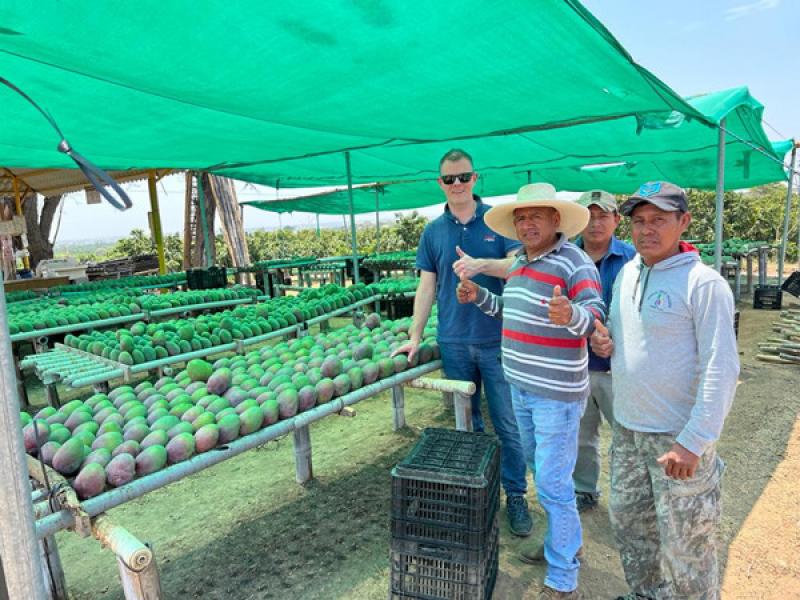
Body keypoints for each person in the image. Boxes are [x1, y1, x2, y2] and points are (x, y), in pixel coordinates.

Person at [591, 181, 739, 600]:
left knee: (687, 547)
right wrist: (604, 341)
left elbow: (722, 366)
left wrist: (694, 442)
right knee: (631, 527)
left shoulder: (703, 284)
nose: (647, 229)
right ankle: (647, 595)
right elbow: (623, 335)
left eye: (659, 219)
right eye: (639, 221)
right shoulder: (627, 274)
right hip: (628, 430)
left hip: (677, 438)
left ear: (684, 221)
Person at [458, 183, 605, 600]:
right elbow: (511, 311)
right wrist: (479, 296)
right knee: (541, 473)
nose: (526, 224)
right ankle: (563, 542)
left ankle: (563, 572)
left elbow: (595, 314)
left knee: (553, 482)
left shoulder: (574, 261)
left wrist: (570, 314)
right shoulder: (520, 262)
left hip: (556, 395)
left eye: (535, 216)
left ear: (556, 220)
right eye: (520, 218)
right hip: (521, 388)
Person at [393, 148, 533, 537]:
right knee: (466, 424)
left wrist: (480, 265)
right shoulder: (432, 231)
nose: (457, 184)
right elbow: (427, 285)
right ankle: (476, 495)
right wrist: (415, 336)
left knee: (508, 423)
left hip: (497, 339)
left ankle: (516, 495)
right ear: (440, 183)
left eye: (463, 177)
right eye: (449, 179)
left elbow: (519, 266)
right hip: (454, 340)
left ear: (475, 178)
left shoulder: (498, 221)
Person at [571, 190, 636, 512]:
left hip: (618, 368)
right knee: (581, 437)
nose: (595, 223)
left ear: (616, 220)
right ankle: (584, 489)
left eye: (603, 216)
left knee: (628, 437)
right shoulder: (566, 257)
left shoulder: (633, 259)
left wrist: (614, 338)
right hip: (577, 367)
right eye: (588, 216)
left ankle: (633, 498)